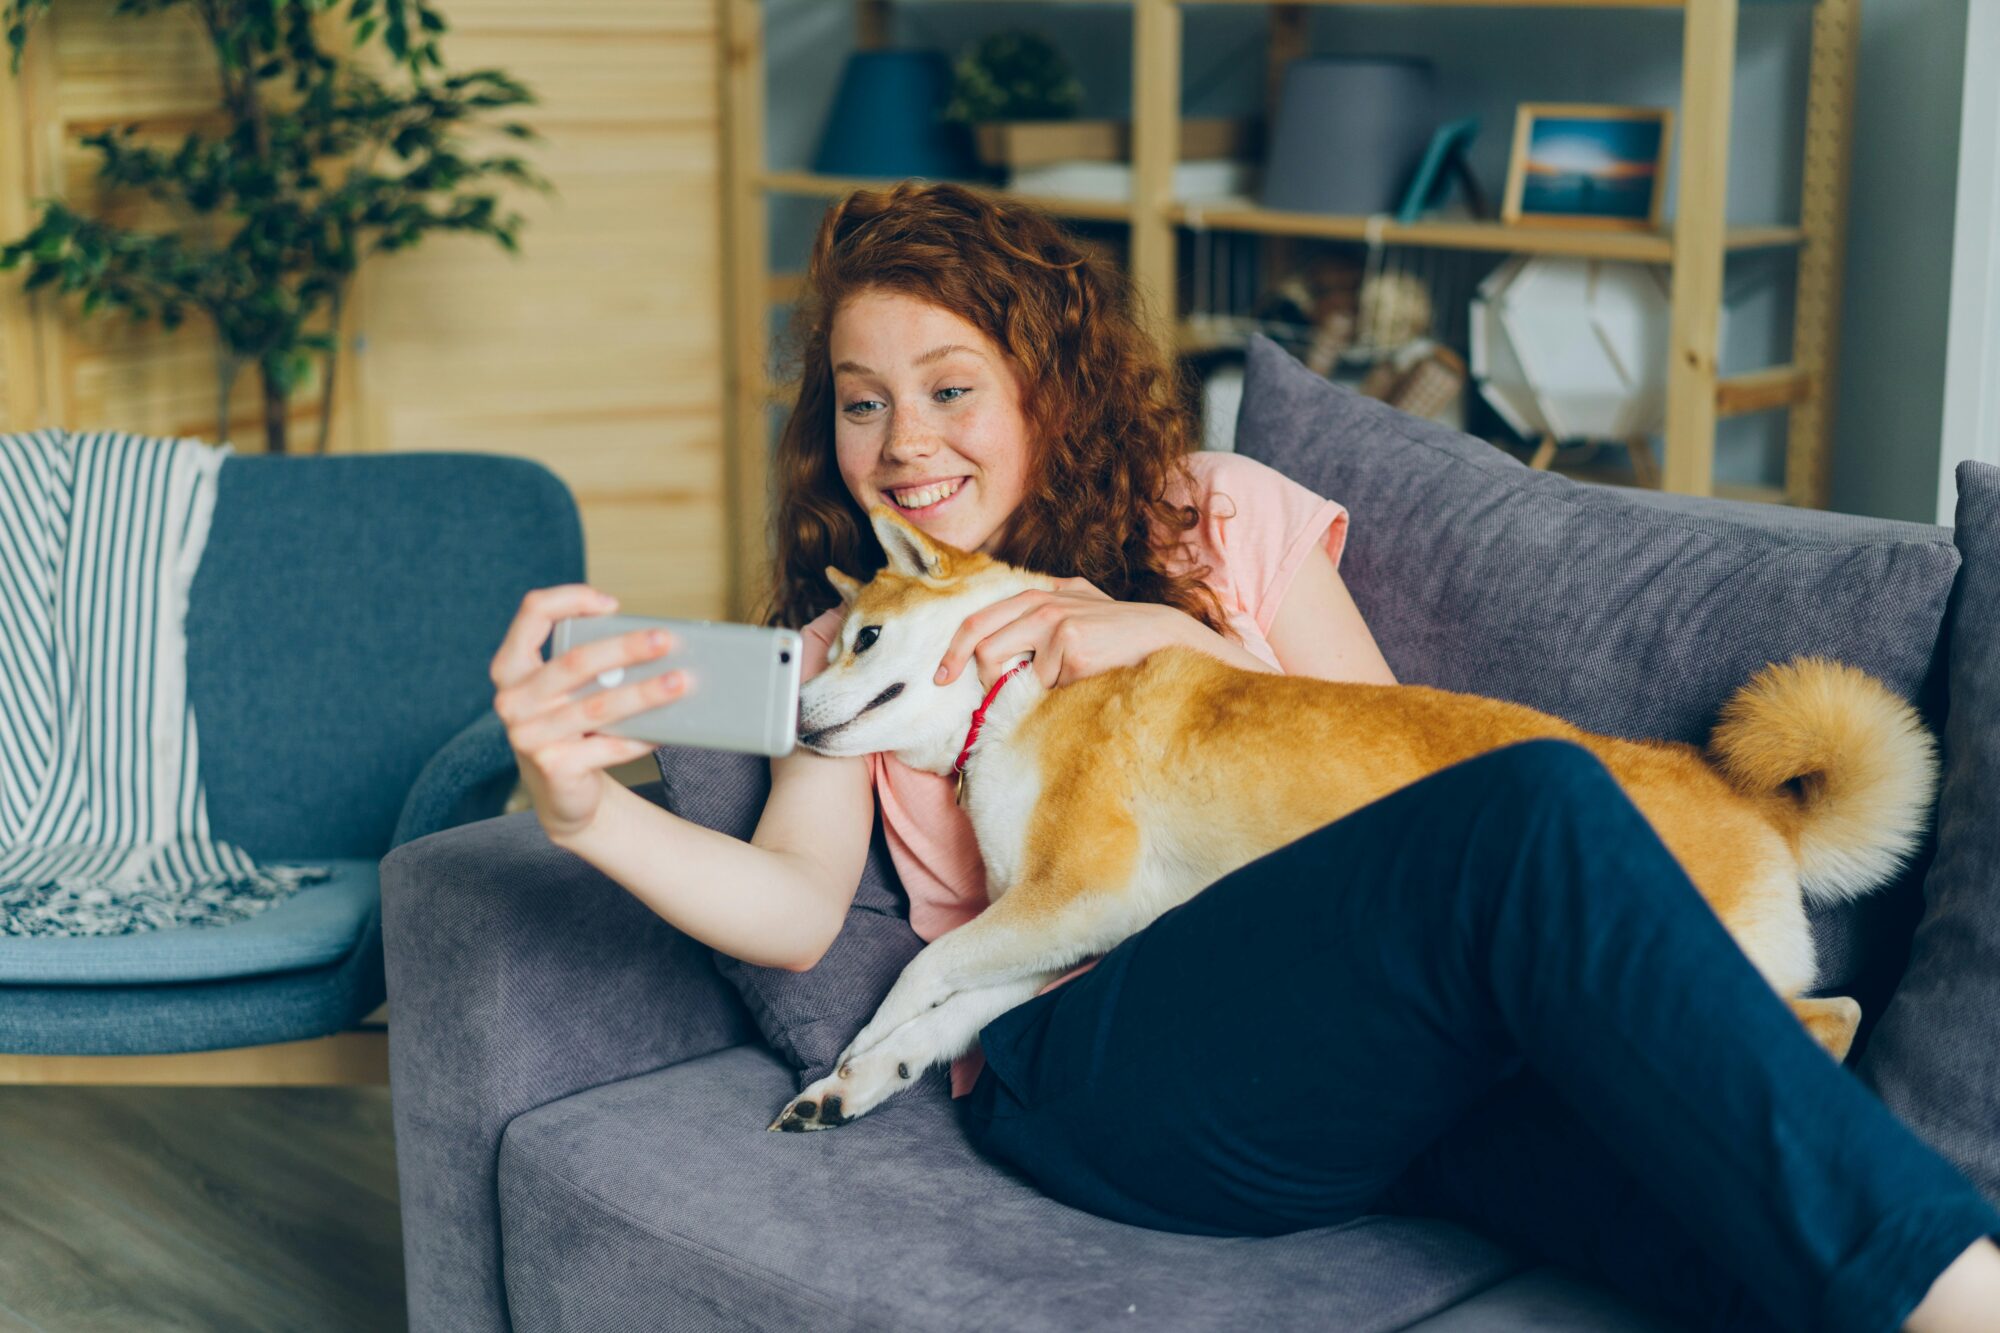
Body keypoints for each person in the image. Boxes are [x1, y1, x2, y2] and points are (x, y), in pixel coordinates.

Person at [488, 181, 2000, 1332]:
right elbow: (796, 907)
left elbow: (1403, 771)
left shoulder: (1214, 519)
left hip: (1348, 1062)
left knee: (1668, 1196)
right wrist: (585, 812)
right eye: (862, 402)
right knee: (1540, 803)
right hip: (1096, 1074)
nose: (903, 442)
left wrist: (1166, 633)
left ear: (1044, 381)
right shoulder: (860, 654)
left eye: (950, 387)